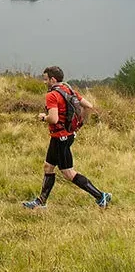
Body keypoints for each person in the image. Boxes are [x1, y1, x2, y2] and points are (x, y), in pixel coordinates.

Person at [23, 66, 111, 209]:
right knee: (48, 166)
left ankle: (101, 196)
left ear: (53, 79)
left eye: (46, 79)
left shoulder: (51, 95)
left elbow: (54, 118)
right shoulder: (69, 90)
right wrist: (78, 124)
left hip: (60, 138)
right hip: (65, 135)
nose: (44, 82)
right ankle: (41, 202)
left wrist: (43, 117)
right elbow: (88, 106)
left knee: (68, 173)